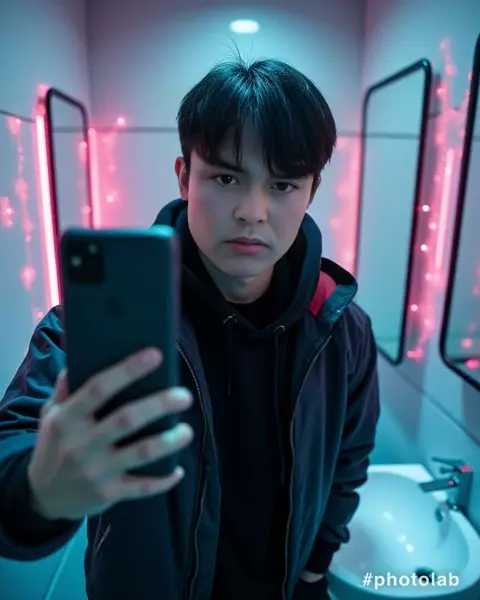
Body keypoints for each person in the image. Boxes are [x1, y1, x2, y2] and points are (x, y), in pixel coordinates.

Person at [0, 51, 380, 600]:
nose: (252, 211)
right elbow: (15, 439)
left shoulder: (342, 328)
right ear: (185, 177)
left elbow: (349, 458)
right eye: (226, 177)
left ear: (312, 191)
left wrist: (315, 568)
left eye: (282, 185)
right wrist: (37, 488)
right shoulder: (97, 325)